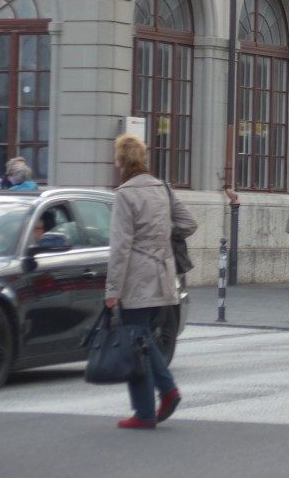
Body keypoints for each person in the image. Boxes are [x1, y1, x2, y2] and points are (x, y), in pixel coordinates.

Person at [105, 134, 198, 429]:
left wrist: (112, 290)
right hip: (164, 275)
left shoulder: (125, 194)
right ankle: (145, 411)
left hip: (137, 278)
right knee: (141, 339)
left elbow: (120, 246)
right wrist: (161, 239)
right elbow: (189, 223)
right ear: (143, 157)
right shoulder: (162, 188)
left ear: (119, 160)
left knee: (136, 337)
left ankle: (165, 391)